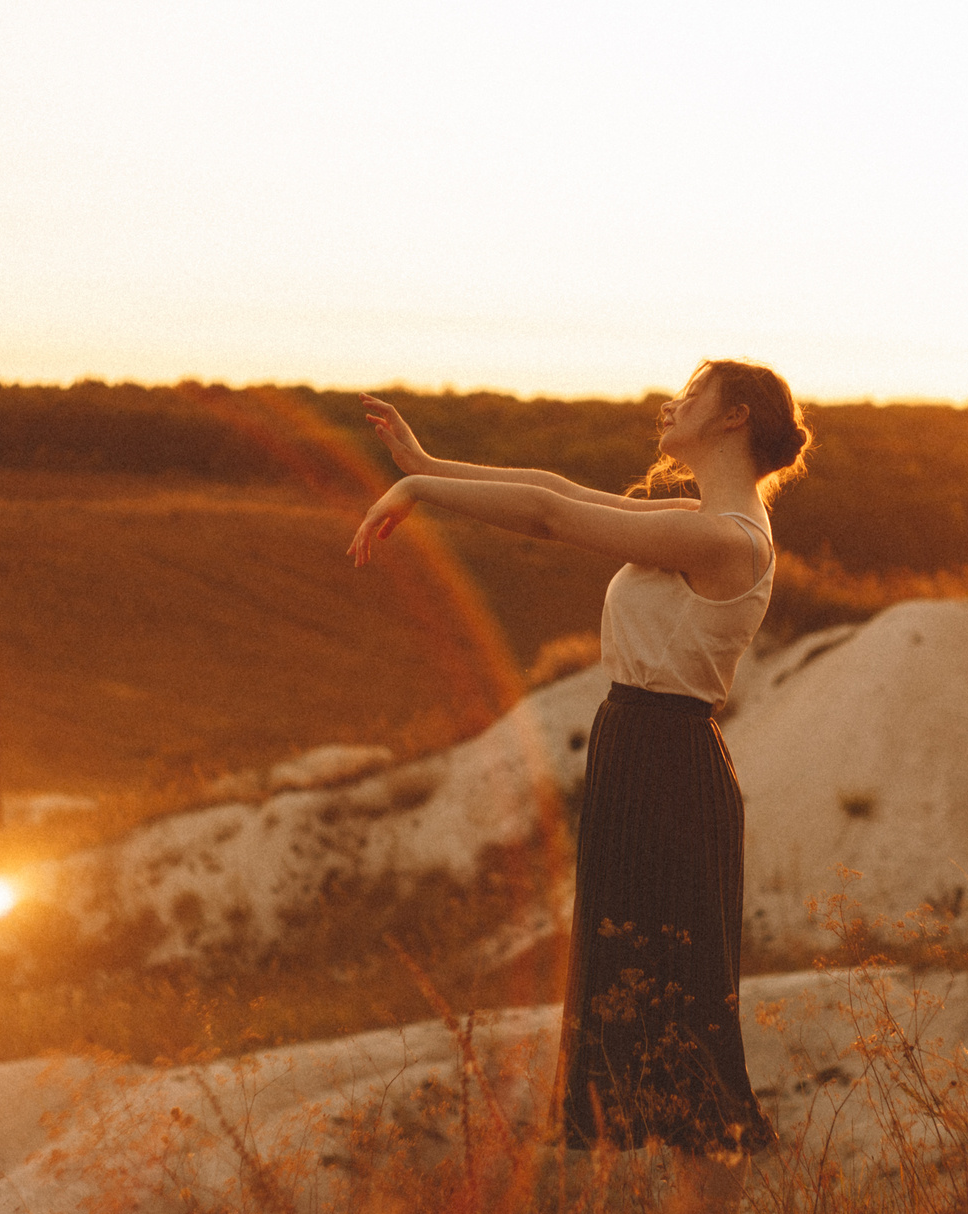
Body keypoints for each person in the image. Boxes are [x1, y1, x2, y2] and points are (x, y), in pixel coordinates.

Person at [348, 361, 812, 1167]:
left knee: (676, 1004)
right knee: (631, 990)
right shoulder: (700, 521)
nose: (671, 403)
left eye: (691, 395)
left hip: (667, 767)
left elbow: (551, 515)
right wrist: (423, 466)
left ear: (734, 417)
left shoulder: (723, 538)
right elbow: (548, 485)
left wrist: (422, 495)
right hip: (639, 754)